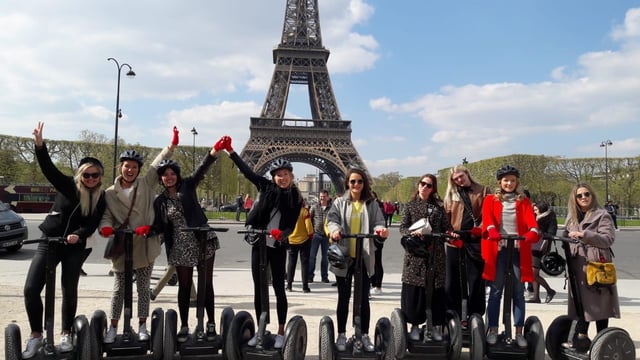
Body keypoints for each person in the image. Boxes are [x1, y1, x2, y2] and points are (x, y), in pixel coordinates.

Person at [22, 122, 106, 358]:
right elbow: (49, 169)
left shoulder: (100, 197)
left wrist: (77, 235)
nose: (91, 178)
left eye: (95, 175)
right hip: (49, 241)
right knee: (31, 289)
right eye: (87, 174)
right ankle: (36, 335)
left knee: (69, 289)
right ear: (81, 174)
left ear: (100, 177)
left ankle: (66, 332)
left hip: (74, 246)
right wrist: (40, 146)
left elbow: (92, 224)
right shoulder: (68, 186)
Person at [216, 135, 302, 349]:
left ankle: (281, 331)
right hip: (259, 245)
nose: (282, 178)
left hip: (278, 247)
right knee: (259, 288)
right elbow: (248, 172)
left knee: (279, 289)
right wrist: (231, 152)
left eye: (285, 174)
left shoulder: (295, 199)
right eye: (278, 175)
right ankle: (262, 329)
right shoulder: (265, 187)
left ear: (291, 176)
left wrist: (281, 234)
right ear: (273, 177)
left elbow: (291, 226)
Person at [99, 126, 178, 343]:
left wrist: (171, 146)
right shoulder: (109, 193)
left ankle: (142, 324)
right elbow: (106, 215)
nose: (130, 170)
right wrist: (105, 227)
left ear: (138, 169)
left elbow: (156, 164)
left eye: (134, 167)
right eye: (127, 166)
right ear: (121, 167)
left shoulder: (146, 183)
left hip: (144, 243)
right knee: (119, 289)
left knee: (143, 288)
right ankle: (114, 326)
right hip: (122, 244)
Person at [152, 143, 222, 342]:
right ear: (161, 178)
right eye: (165, 174)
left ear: (177, 175)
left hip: (202, 239)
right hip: (181, 245)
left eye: (172, 173)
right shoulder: (160, 201)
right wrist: (147, 231)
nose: (169, 177)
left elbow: (201, 169)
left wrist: (213, 152)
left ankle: (210, 323)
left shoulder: (188, 186)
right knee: (184, 286)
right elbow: (159, 225)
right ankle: (184, 324)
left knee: (206, 284)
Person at [326, 167, 389, 352]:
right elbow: (332, 220)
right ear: (347, 183)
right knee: (343, 298)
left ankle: (364, 334)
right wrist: (335, 230)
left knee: (363, 299)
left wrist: (381, 231)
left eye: (359, 181)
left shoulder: (371, 203)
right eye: (352, 181)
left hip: (364, 256)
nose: (356, 185)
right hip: (344, 256)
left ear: (364, 183)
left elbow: (379, 222)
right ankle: (341, 334)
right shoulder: (339, 202)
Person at [481, 165, 539, 348]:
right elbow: (488, 219)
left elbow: (531, 222)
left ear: (517, 182)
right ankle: (492, 328)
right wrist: (491, 229)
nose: (509, 183)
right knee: (496, 290)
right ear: (500, 182)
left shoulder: (524, 201)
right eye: (506, 180)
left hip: (518, 250)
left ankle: (519, 331)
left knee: (518, 291)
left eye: (512, 180)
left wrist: (532, 232)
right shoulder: (490, 199)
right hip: (499, 248)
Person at [562, 183, 620, 351]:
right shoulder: (571, 217)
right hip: (577, 267)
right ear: (575, 199)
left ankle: (603, 341)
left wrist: (585, 235)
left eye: (586, 194)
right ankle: (581, 339)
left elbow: (607, 239)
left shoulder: (602, 215)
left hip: (596, 266)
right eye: (579, 196)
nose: (583, 198)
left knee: (600, 305)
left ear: (592, 195)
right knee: (582, 305)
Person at [399, 174, 457, 342]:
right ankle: (415, 326)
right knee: (415, 291)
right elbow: (403, 228)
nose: (425, 187)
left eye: (429, 185)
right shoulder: (410, 206)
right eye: (423, 184)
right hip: (416, 255)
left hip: (436, 255)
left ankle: (434, 325)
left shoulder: (438, 207)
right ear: (418, 185)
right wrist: (412, 232)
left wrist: (450, 234)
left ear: (433, 189)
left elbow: (446, 227)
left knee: (437, 291)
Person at [442, 165, 489, 324]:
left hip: (475, 240)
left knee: (476, 281)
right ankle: (453, 314)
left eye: (461, 176)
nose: (459, 181)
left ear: (467, 174)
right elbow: (446, 217)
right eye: (455, 179)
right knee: (452, 281)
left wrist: (481, 229)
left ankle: (475, 315)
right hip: (456, 241)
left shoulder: (483, 191)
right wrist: (449, 233)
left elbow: (489, 214)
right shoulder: (451, 193)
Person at [528, 201, 557, 304]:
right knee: (534, 273)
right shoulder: (535, 216)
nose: (534, 211)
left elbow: (552, 233)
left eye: (536, 209)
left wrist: (540, 233)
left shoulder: (549, 218)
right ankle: (536, 297)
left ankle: (550, 291)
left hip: (539, 247)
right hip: (531, 245)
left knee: (533, 273)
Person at [286, 202, 313, 293]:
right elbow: (308, 226)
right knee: (305, 264)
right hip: (304, 240)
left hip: (292, 239)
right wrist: (310, 236)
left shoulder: (289, 212)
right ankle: (305, 286)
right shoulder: (304, 212)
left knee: (291, 263)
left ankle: (289, 285)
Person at [308, 189, 331, 284]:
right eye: (321, 196)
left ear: (328, 197)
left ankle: (324, 276)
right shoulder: (314, 207)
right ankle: (310, 276)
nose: (322, 198)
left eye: (324, 196)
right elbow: (309, 219)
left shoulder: (332, 208)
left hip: (327, 235)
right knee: (312, 256)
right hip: (316, 234)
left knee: (325, 257)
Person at [370, 191, 385, 294]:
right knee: (371, 262)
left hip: (376, 237)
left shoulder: (378, 208)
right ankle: (374, 284)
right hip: (371, 237)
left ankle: (377, 285)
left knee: (377, 262)